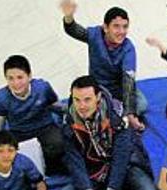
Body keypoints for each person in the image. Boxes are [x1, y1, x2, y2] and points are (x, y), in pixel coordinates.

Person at [53, 75, 157, 190]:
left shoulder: (118, 115)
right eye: (77, 100)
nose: (82, 106)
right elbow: (76, 163)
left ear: (98, 97)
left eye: (87, 100)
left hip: (125, 166)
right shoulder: (68, 122)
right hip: (93, 171)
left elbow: (121, 158)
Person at [60, 1, 146, 130]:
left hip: (118, 90)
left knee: (142, 104)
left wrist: (130, 114)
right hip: (97, 87)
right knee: (86, 107)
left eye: (125, 26)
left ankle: (109, 112)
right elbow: (74, 31)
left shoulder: (128, 48)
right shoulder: (95, 35)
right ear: (105, 28)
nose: (121, 31)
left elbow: (128, 81)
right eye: (116, 26)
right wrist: (68, 17)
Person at [0, 55, 65, 175]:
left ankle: (52, 170)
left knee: (59, 143)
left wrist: (68, 117)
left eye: (20, 77)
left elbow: (55, 105)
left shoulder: (42, 87)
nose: (16, 83)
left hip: (45, 127)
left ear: (29, 76)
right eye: (11, 78)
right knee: (10, 156)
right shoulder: (2, 98)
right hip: (19, 132)